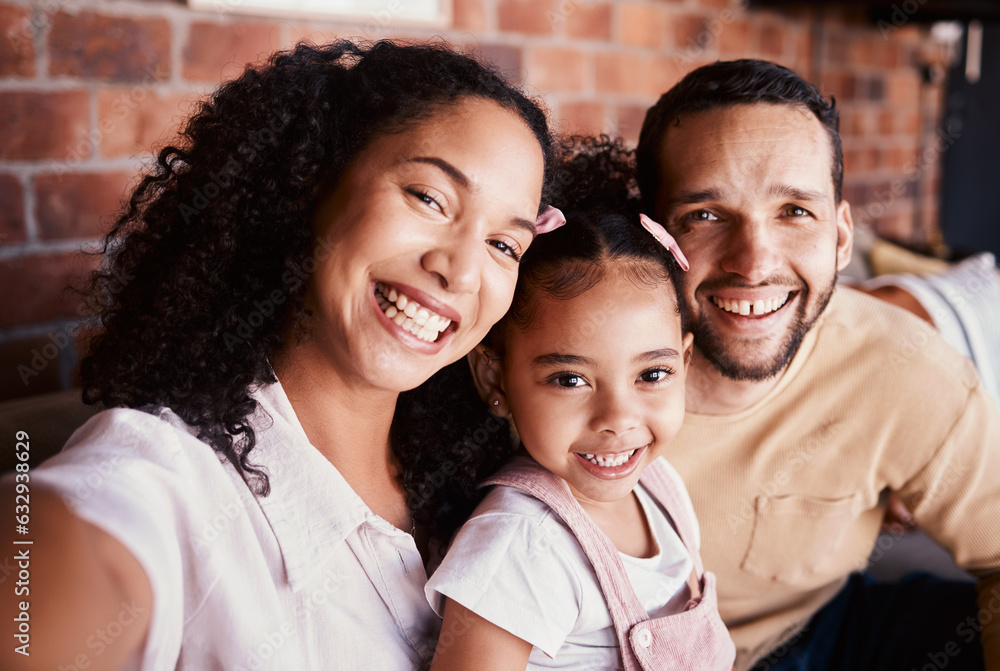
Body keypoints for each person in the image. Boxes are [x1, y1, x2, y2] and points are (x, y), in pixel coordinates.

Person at [0, 39, 557, 670]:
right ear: (314, 183)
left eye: (504, 245)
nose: (460, 271)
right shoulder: (166, 482)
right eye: (428, 198)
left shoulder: (493, 484)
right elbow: (68, 549)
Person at [634, 59, 1000, 671]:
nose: (753, 263)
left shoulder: (900, 365)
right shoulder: (578, 369)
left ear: (840, 235)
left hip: (819, 632)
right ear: (649, 235)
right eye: (705, 215)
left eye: (794, 211)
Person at [425, 139, 736, 670]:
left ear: (685, 364)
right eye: (570, 379)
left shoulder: (662, 492)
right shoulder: (519, 543)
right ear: (493, 376)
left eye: (652, 374)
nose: (618, 418)